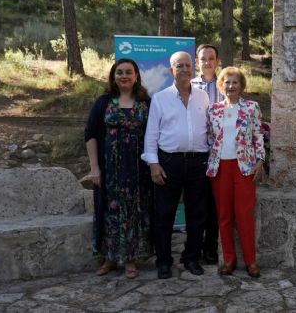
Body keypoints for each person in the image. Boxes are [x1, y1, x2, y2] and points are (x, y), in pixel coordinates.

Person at [142, 51, 211, 279]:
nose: (184, 69)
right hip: (168, 162)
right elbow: (151, 135)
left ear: (193, 69)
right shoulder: (160, 98)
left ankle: (191, 257)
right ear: (171, 71)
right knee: (164, 214)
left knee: (197, 214)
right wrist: (153, 164)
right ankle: (163, 261)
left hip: (198, 163)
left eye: (187, 65)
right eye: (179, 66)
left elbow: (210, 130)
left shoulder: (203, 97)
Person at [85, 58, 152, 279]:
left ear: (136, 76)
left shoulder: (145, 102)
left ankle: (130, 259)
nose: (124, 76)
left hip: (138, 170)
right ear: (114, 76)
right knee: (109, 211)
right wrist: (95, 168)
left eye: (128, 72)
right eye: (119, 72)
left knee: (134, 212)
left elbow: (154, 135)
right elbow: (91, 135)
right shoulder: (103, 102)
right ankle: (110, 258)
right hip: (109, 170)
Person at [207, 67, 265, 278]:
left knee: (244, 216)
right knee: (224, 216)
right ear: (221, 85)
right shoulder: (213, 110)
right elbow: (210, 139)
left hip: (244, 168)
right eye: (227, 82)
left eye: (235, 82)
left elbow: (258, 135)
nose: (231, 86)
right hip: (220, 168)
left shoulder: (251, 107)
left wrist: (260, 160)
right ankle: (229, 260)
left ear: (241, 86)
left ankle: (251, 262)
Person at [191, 44, 222, 265]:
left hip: (220, 155)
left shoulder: (226, 83)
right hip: (196, 154)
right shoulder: (188, 86)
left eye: (211, 58)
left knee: (213, 205)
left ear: (217, 61)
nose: (207, 62)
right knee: (196, 204)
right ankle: (193, 248)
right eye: (203, 59)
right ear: (197, 62)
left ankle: (210, 248)